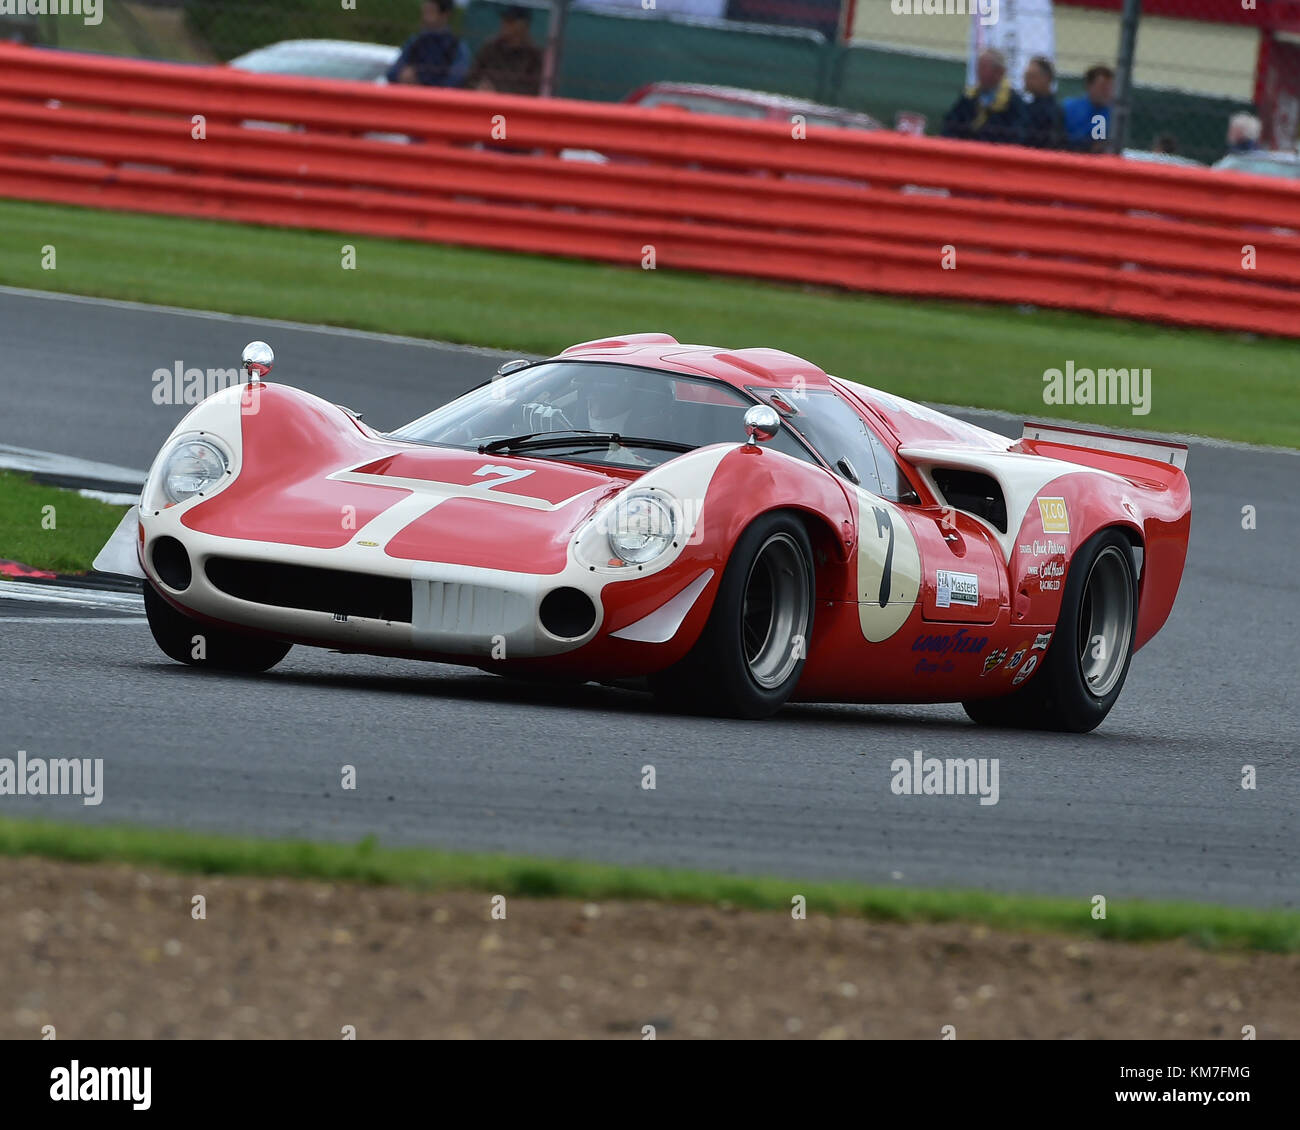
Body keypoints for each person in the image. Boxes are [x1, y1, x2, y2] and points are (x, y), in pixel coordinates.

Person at [941, 49, 1025, 146]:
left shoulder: (1012, 101)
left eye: (983, 68)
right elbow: (950, 123)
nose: (978, 73)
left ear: (999, 72)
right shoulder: (969, 96)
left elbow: (1016, 134)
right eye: (978, 68)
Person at [386, 0, 470, 88]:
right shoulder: (416, 41)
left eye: (430, 12)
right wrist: (401, 75)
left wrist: (423, 85)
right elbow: (392, 73)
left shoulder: (456, 47)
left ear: (445, 14)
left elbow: (456, 80)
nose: (424, 16)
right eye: (425, 11)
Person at [465, 6, 543, 95]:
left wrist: (498, 93)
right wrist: (478, 86)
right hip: (485, 103)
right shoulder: (490, 47)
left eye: (510, 21)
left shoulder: (535, 55)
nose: (504, 24)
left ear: (523, 24)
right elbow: (471, 78)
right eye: (504, 20)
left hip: (514, 107)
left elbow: (535, 91)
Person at [1062, 64, 1115, 153]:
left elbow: (1099, 145)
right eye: (1102, 87)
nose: (1106, 92)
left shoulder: (1111, 115)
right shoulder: (1069, 108)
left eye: (1110, 88)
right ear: (1089, 86)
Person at [1021, 55, 1064, 149]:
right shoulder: (1027, 107)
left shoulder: (1053, 111)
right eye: (1026, 76)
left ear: (1046, 78)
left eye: (1032, 77)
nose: (1026, 80)